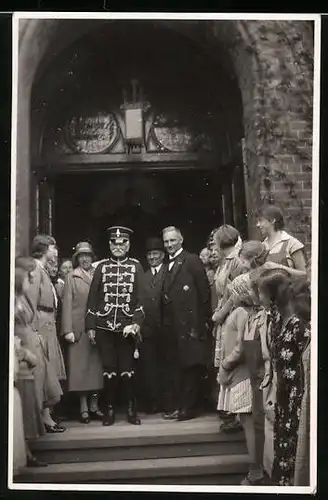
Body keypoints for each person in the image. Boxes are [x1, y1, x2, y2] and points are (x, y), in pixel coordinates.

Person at [85, 226, 145, 426]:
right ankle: (109, 409)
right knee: (109, 370)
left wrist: (136, 323)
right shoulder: (101, 267)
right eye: (115, 243)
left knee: (128, 371)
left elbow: (141, 300)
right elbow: (93, 298)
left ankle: (130, 409)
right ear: (110, 245)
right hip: (104, 326)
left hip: (127, 327)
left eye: (122, 243)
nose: (118, 247)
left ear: (128, 245)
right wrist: (90, 326)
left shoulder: (136, 266)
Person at [257, 272, 310, 485]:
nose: (258, 298)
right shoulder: (277, 322)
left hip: (296, 400)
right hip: (283, 399)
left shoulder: (299, 327)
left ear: (272, 297)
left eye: (261, 293)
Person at [217, 273, 266, 484]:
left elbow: (240, 347)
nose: (231, 297)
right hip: (240, 373)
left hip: (241, 374)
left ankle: (256, 471)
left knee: (248, 421)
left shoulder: (241, 313)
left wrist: (226, 365)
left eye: (233, 293)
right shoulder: (245, 312)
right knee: (247, 420)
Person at [161, 226, 212, 421]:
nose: (169, 245)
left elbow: (204, 292)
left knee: (191, 366)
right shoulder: (168, 264)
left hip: (191, 325)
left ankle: (188, 408)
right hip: (174, 326)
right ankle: (180, 406)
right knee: (177, 367)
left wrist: (202, 321)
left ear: (181, 239)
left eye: (172, 240)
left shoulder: (191, 260)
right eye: (166, 242)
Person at [27, 234, 66, 433]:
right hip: (41, 325)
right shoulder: (35, 269)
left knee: (49, 372)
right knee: (44, 372)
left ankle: (47, 415)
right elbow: (31, 303)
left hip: (48, 324)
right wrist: (34, 331)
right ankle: (45, 419)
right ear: (43, 249)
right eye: (53, 247)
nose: (55, 250)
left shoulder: (42, 270)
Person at [61, 242, 104, 423]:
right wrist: (67, 329)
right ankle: (83, 407)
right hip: (79, 330)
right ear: (77, 258)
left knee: (96, 369)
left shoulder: (98, 274)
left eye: (87, 255)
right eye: (81, 255)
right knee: (80, 370)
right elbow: (67, 304)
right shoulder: (72, 276)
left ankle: (95, 405)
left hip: (96, 327)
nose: (85, 258)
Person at [14, 262, 47, 468]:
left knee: (28, 400)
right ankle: (25, 452)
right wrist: (23, 353)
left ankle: (27, 451)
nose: (32, 280)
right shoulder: (14, 303)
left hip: (28, 352)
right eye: (28, 277)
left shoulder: (22, 300)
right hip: (21, 354)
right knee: (24, 402)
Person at [137, 237, 166, 414]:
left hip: (166, 328)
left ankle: (167, 402)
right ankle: (153, 402)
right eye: (149, 254)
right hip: (147, 330)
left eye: (155, 253)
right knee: (149, 368)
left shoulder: (169, 272)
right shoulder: (143, 276)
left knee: (166, 367)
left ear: (162, 255)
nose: (152, 257)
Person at [256, 205, 307, 274]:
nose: (258, 225)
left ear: (272, 220)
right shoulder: (262, 246)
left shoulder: (291, 243)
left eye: (260, 220)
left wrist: (280, 267)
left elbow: (304, 274)